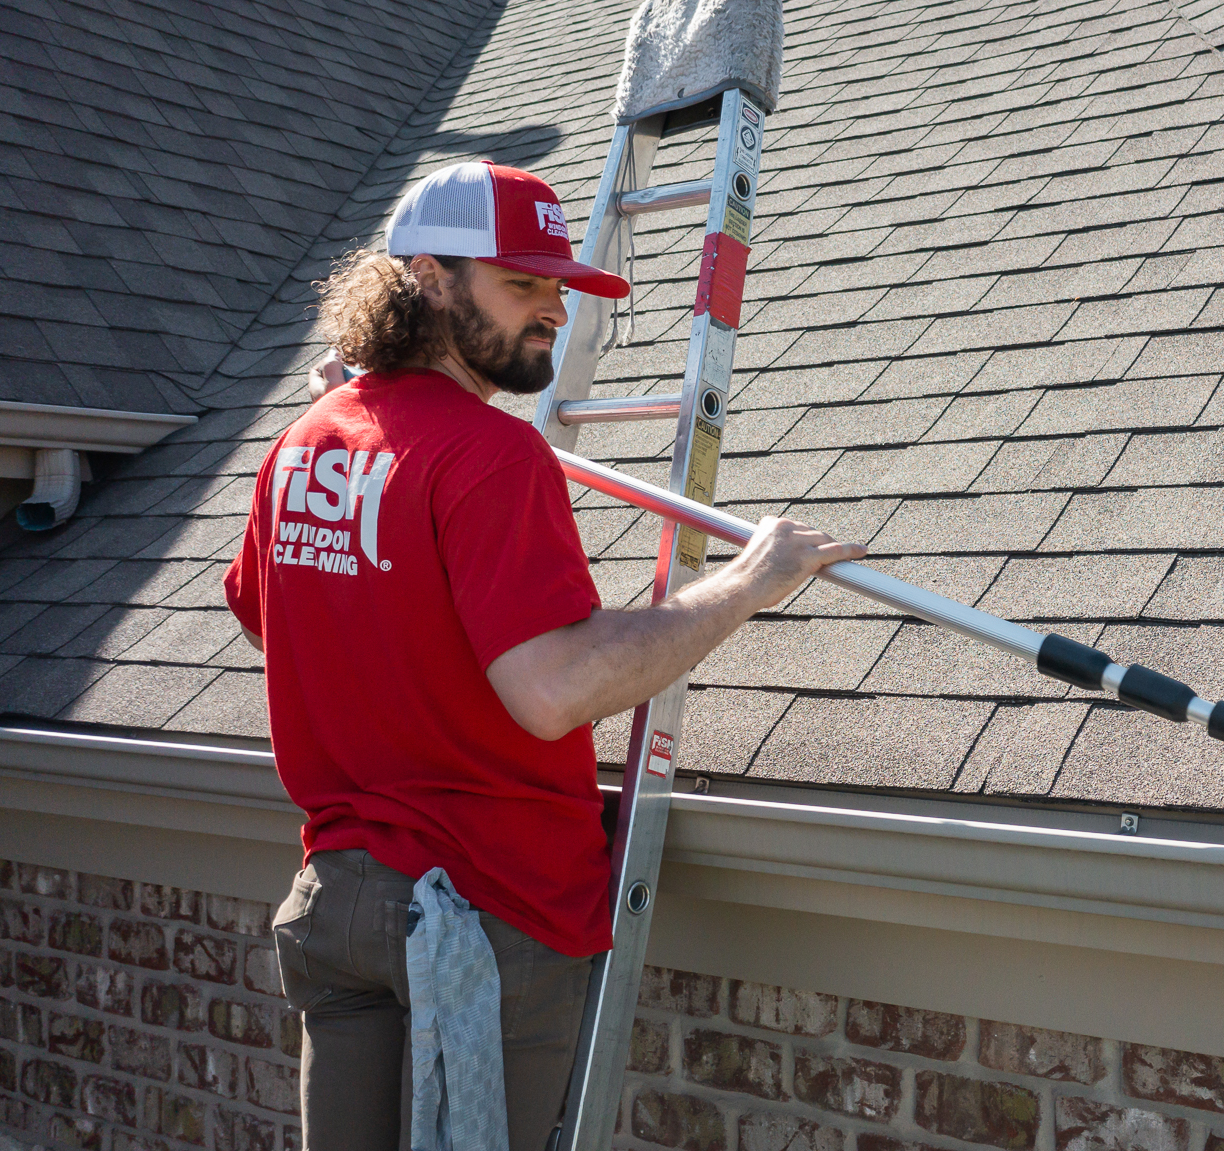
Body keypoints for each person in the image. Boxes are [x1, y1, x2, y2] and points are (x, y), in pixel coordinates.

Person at [223, 159, 862, 1151]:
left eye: (559, 288)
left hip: (339, 907)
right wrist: (744, 582)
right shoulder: (488, 453)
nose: (553, 314)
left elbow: (273, 614)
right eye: (522, 285)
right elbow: (554, 687)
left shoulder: (304, 442)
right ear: (428, 278)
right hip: (483, 911)